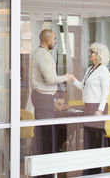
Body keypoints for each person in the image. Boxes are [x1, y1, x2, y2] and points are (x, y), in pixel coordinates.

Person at [29, 29, 74, 178]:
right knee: (46, 136)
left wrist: (53, 101)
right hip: (43, 99)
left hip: (41, 97)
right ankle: (45, 173)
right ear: (47, 39)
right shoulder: (44, 55)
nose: (56, 42)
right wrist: (65, 77)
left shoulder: (36, 53)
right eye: (55, 39)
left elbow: (42, 84)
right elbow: (50, 79)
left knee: (43, 134)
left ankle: (40, 171)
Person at [72, 42, 110, 175]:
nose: (89, 54)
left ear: (98, 54)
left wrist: (100, 110)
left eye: (92, 52)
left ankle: (96, 171)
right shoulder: (89, 69)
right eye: (89, 51)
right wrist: (72, 80)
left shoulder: (103, 70)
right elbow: (82, 86)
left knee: (96, 139)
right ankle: (87, 170)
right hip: (88, 107)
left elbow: (105, 92)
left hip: (98, 108)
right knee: (88, 138)